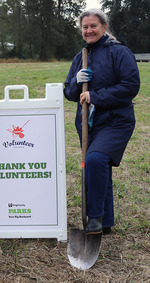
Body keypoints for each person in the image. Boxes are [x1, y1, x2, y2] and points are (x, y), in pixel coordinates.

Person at [64, 9, 140, 235]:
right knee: (99, 166)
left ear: (104, 27)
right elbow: (68, 92)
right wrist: (77, 83)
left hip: (116, 121)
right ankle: (105, 223)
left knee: (95, 160)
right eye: (85, 27)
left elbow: (130, 86)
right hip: (88, 123)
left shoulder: (119, 52)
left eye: (93, 26)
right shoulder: (81, 56)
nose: (89, 30)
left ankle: (95, 217)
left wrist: (95, 96)